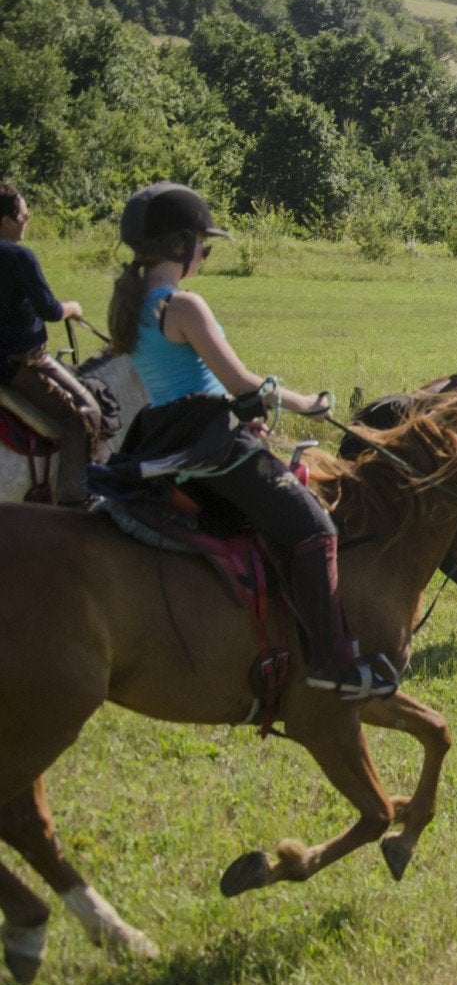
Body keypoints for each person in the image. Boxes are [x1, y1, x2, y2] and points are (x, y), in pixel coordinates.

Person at [107, 181, 396, 701]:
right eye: (204, 244)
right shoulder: (184, 305)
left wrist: (239, 410)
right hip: (210, 444)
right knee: (316, 528)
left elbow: (187, 384)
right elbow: (244, 384)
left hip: (163, 436)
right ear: (181, 247)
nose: (204, 255)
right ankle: (333, 663)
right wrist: (312, 403)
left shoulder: (130, 304)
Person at [0, 181, 107, 505]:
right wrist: (73, 308)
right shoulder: (18, 256)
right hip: (20, 360)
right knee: (85, 415)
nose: (26, 221)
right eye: (23, 215)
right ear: (5, 220)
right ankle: (74, 503)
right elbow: (50, 310)